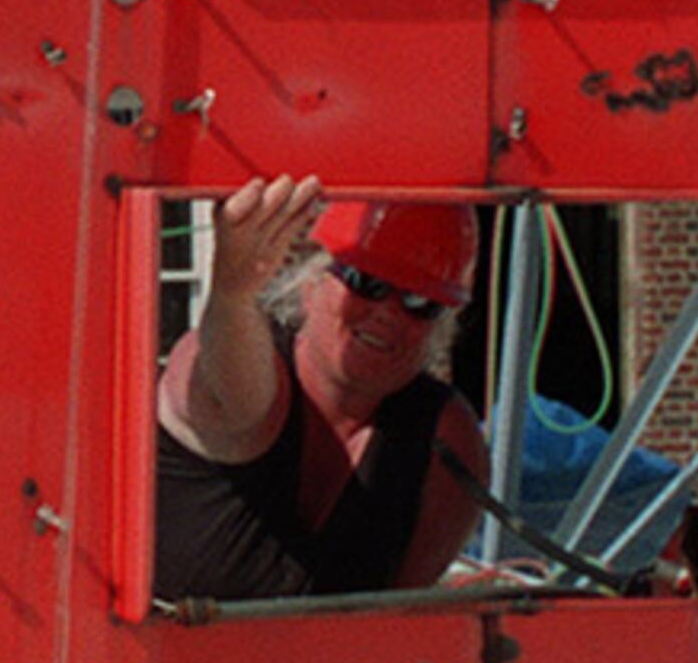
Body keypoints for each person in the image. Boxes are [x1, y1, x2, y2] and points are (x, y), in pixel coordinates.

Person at [154, 176, 494, 603]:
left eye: (418, 303)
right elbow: (235, 402)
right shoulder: (243, 363)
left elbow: (398, 621)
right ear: (310, 283)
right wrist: (232, 294)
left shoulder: (445, 440)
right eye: (367, 284)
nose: (387, 313)